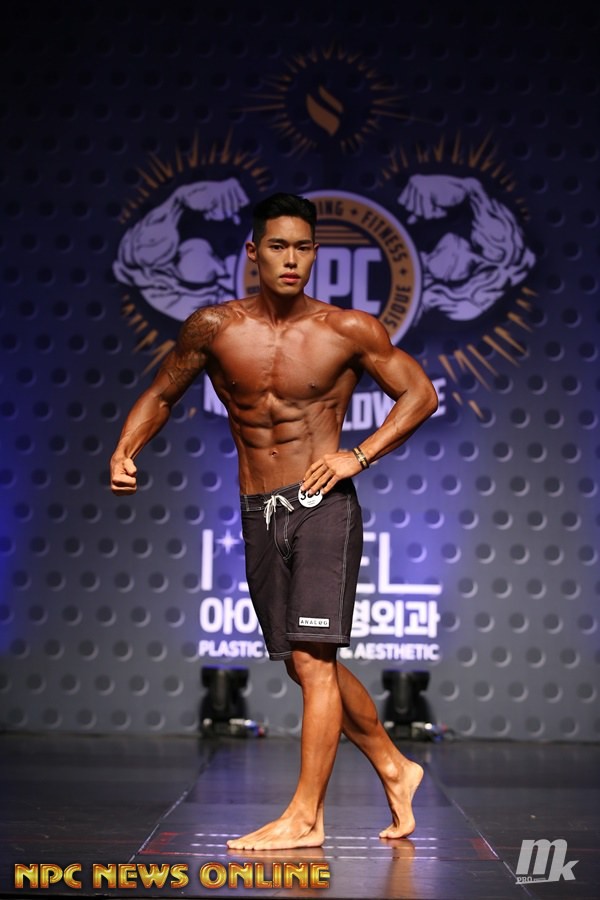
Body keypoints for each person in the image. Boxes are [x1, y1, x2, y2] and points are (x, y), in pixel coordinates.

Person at [110, 192, 439, 851]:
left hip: (322, 504)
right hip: (257, 510)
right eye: (279, 246)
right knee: (302, 664)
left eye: (303, 248)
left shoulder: (347, 330)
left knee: (315, 661)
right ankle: (394, 767)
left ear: (316, 254)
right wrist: (125, 448)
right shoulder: (214, 327)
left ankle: (306, 818)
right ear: (254, 252)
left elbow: (420, 393)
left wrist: (357, 456)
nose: (292, 259)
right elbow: (162, 392)